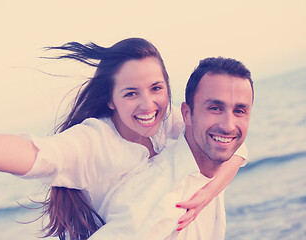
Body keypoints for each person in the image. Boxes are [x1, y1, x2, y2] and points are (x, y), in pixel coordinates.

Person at [0, 39, 247, 240]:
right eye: (131, 93)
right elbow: (35, 154)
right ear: (112, 99)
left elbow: (234, 148)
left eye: (156, 88)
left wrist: (209, 192)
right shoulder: (95, 141)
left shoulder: (170, 121)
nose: (148, 105)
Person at [88, 57, 254, 240]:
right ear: (186, 115)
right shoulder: (163, 199)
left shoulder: (209, 162)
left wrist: (210, 191)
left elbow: (241, 150)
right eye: (215, 108)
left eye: (239, 111)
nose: (229, 126)